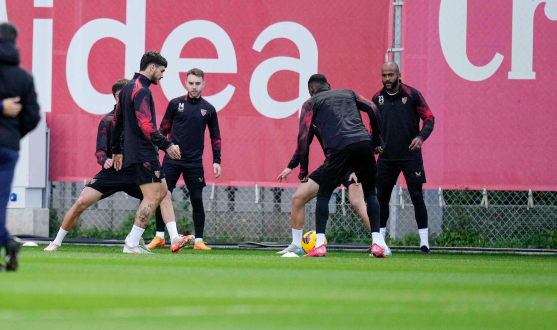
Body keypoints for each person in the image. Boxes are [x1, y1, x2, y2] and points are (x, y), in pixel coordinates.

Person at [295, 74, 390, 258]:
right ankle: (377, 243)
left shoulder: (310, 102)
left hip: (338, 148)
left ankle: (320, 245)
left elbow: (303, 138)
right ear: (328, 86)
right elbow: (372, 107)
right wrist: (377, 139)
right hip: (363, 143)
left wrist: (303, 170)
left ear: (311, 90)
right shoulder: (348, 93)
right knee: (370, 193)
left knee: (324, 195)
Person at [111, 51, 187, 254]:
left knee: (163, 192)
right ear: (151, 67)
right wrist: (167, 145)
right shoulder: (142, 91)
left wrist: (116, 149)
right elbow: (145, 125)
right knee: (152, 196)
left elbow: (117, 120)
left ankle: (168, 238)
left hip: (137, 151)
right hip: (144, 152)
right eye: (162, 71)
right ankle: (132, 243)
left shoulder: (127, 87)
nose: (162, 76)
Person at [147, 68, 221, 251]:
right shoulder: (175, 104)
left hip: (194, 162)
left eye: (197, 83)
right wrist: (157, 152)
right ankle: (159, 237)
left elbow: (215, 137)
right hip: (172, 159)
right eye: (191, 83)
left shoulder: (209, 109)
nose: (194, 87)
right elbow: (162, 131)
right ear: (185, 84)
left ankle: (199, 241)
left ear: (203, 84)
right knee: (161, 195)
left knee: (197, 199)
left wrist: (216, 160)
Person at [276, 115, 371, 255]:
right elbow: (303, 144)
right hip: (331, 165)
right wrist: (291, 166)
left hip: (351, 167)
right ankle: (296, 245)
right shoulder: (313, 119)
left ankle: (379, 243)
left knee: (357, 203)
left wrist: (358, 169)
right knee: (298, 197)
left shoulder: (341, 117)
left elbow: (360, 142)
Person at [371, 62, 435, 254]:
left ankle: (424, 243)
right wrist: (375, 142)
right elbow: (373, 127)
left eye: (390, 75)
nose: (387, 79)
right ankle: (380, 243)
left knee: (417, 197)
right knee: (381, 199)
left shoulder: (412, 95)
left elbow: (430, 118)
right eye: (384, 75)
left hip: (410, 156)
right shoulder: (377, 98)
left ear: (399, 75)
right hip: (386, 158)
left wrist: (420, 137)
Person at [0, 22, 41, 271]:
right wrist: (14, 134)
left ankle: (7, 241)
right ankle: (6, 241)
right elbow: (33, 116)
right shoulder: (23, 77)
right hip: (8, 148)